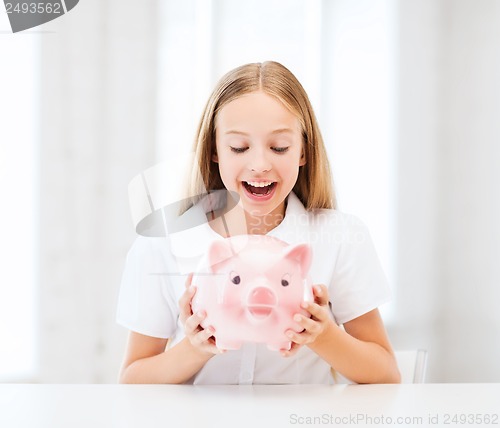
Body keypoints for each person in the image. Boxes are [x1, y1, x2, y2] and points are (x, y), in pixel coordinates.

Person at [116, 61, 401, 384]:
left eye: (279, 147)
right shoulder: (162, 244)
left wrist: (322, 335)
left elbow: (386, 373)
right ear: (214, 151)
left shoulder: (340, 238)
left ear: (303, 152)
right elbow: (132, 379)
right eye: (239, 147)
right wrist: (196, 346)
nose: (260, 164)